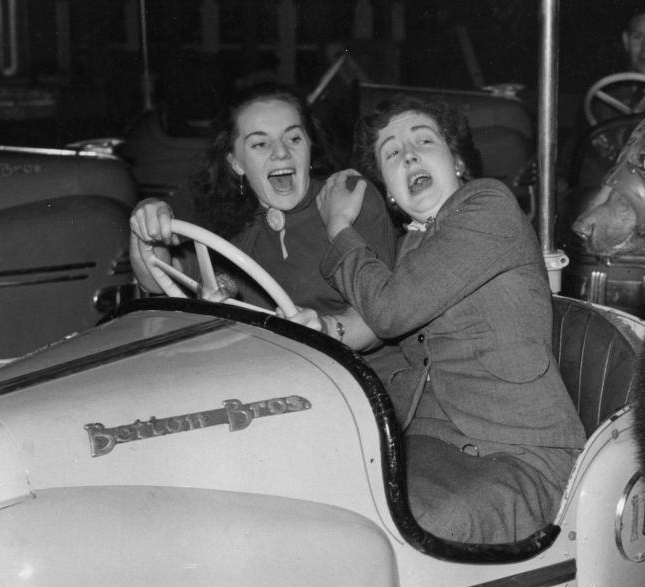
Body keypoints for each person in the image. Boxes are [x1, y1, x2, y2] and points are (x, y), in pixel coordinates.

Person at [312, 95, 587, 544]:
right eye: (391, 153)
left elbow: (390, 310)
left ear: (457, 160)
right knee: (329, 501)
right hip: (431, 442)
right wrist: (321, 328)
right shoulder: (413, 246)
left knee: (394, 529)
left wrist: (338, 227)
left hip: (517, 450)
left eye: (423, 141)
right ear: (390, 192)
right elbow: (380, 320)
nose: (409, 156)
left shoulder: (488, 205)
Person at [129, 85, 398, 352]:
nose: (281, 152)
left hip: (353, 369)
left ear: (309, 145)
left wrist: (326, 329)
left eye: (294, 139)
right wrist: (145, 220)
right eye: (260, 144)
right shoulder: (232, 224)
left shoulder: (348, 195)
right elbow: (155, 277)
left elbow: (379, 319)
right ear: (236, 163)